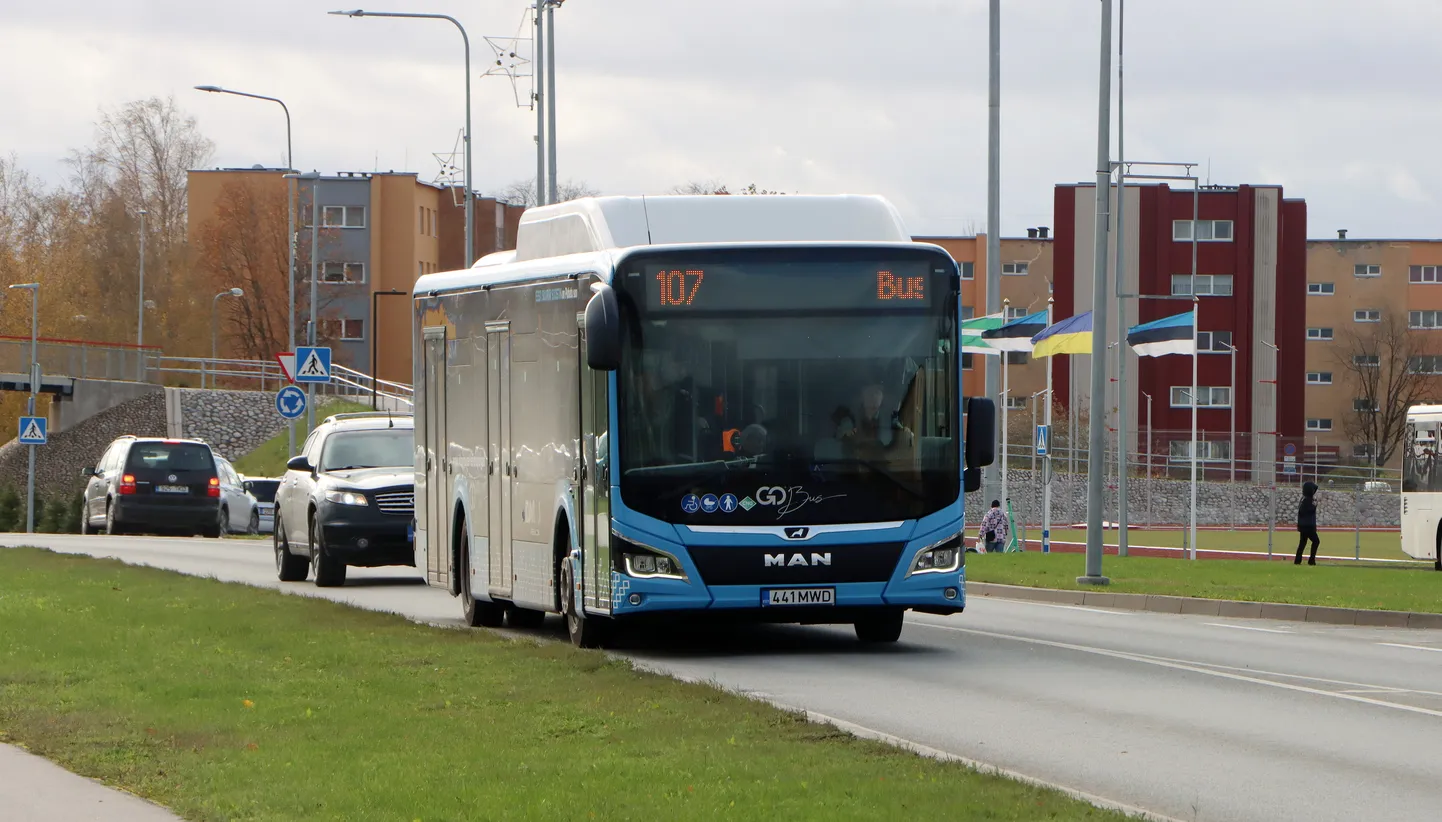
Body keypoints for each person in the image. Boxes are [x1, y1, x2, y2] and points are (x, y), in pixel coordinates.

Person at [1295, 481, 1320, 566]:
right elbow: (1309, 511)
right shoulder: (1308, 501)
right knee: (1316, 541)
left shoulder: (1303, 499)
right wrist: (1315, 505)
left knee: (1302, 542)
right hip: (1308, 525)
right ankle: (1311, 560)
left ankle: (1297, 560)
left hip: (1303, 525)